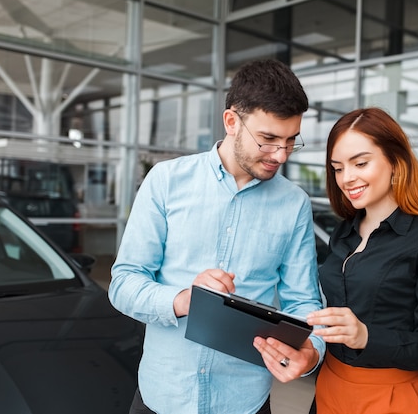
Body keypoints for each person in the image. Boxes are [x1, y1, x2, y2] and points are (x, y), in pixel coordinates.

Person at [108, 58, 325, 414]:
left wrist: (312, 350)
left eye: (290, 142)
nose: (281, 155)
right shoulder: (165, 181)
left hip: (245, 401)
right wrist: (183, 300)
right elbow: (123, 283)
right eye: (268, 139)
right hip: (163, 397)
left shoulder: (294, 204)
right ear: (231, 122)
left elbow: (303, 302)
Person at [306, 107, 418, 414]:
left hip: (393, 396)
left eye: (360, 163)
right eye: (337, 168)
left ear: (396, 161)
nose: (347, 178)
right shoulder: (344, 232)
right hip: (331, 385)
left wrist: (365, 336)